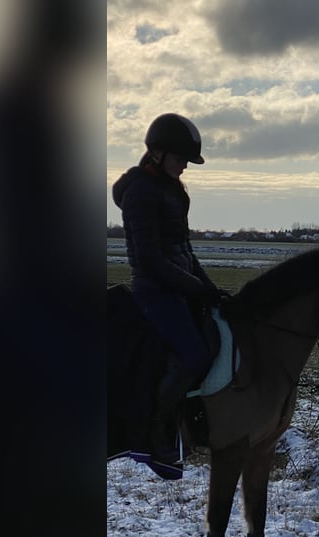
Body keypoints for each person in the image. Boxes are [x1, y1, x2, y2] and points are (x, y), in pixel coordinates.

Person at [112, 113, 220, 466]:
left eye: (188, 160)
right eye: (180, 158)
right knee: (195, 355)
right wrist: (193, 288)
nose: (185, 166)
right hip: (154, 292)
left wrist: (209, 288)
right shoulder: (141, 191)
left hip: (178, 288)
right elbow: (149, 259)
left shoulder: (174, 191)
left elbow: (184, 251)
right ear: (156, 153)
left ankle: (191, 424)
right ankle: (157, 432)